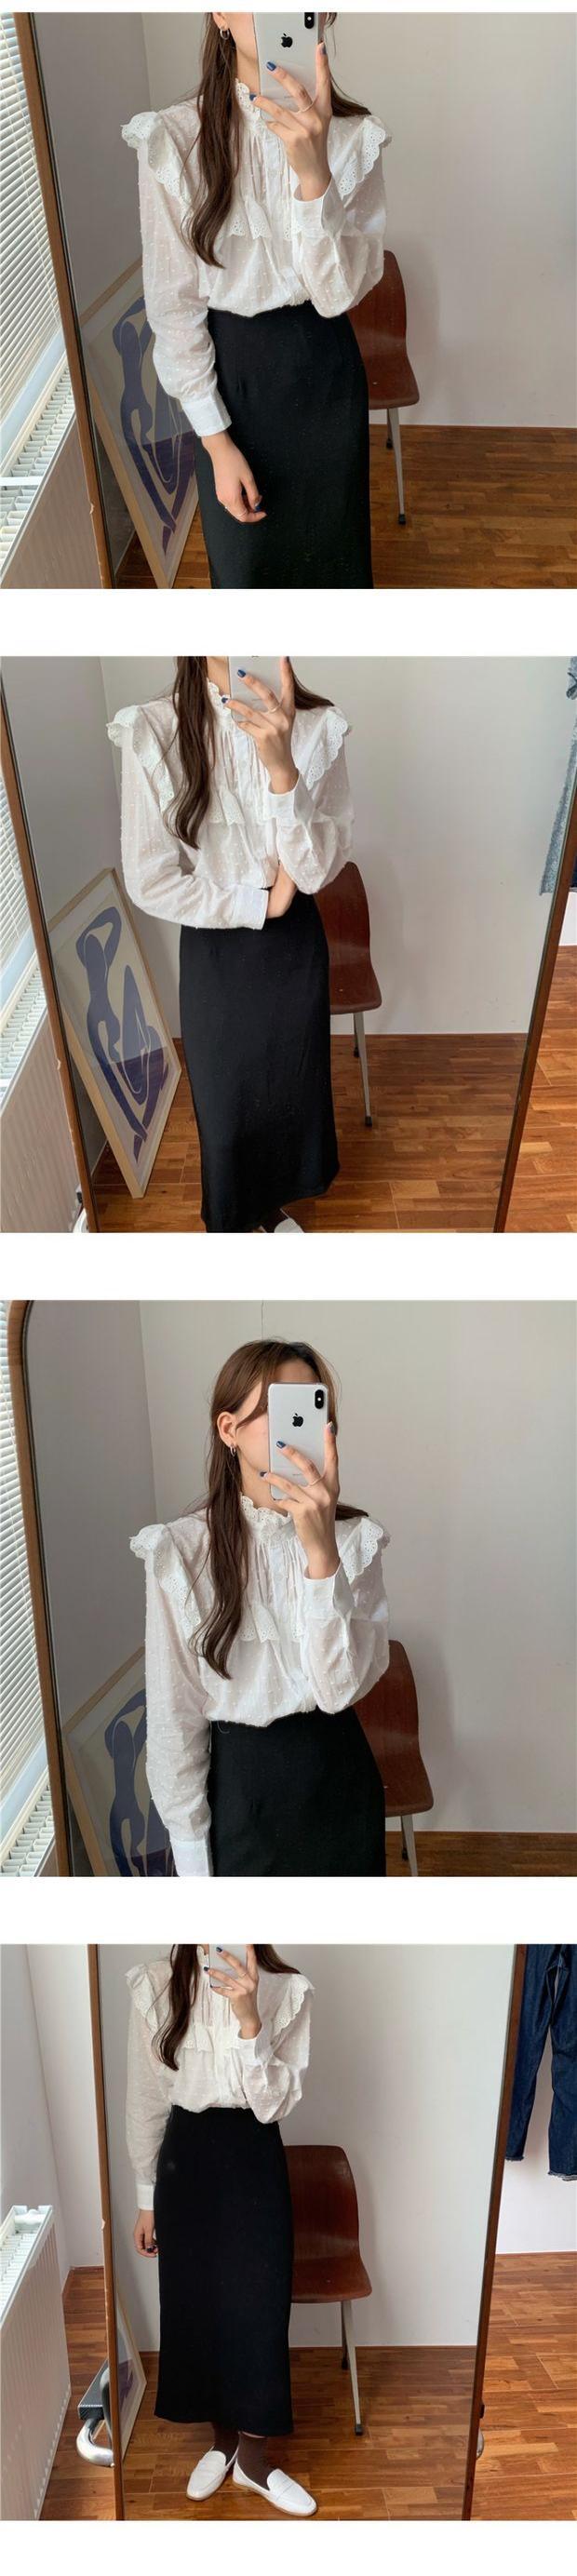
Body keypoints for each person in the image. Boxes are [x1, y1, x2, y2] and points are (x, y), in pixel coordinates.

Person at [123, 14, 388, 586]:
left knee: (334, 569)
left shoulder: (355, 138)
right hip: (231, 380)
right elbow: (173, 306)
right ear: (218, 12)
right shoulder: (173, 140)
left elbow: (338, 296)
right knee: (247, 575)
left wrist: (314, 177)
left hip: (325, 371)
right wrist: (217, 444)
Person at [107, 656, 352, 1230]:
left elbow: (315, 871)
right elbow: (150, 878)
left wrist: (283, 772)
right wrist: (257, 905)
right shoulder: (154, 730)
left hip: (293, 948)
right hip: (216, 948)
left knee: (289, 1091)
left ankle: (269, 1210)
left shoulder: (319, 726)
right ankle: (234, 1222)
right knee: (226, 1107)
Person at [131, 1336, 390, 1874]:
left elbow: (337, 1691)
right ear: (229, 1429)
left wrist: (321, 1553)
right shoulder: (182, 1553)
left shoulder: (355, 1541)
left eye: (312, 1407)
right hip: (241, 1790)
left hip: (341, 1778)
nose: (300, 1427)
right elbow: (174, 1719)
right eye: (278, 1408)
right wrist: (192, 1863)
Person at [127, 1942, 315, 2515]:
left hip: (253, 2157)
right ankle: (223, 2442)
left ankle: (254, 2462)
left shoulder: (288, 1989)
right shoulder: (156, 1985)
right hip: (185, 2165)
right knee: (199, 2310)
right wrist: (145, 2199)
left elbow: (273, 2106)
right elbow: (147, 2098)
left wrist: (249, 2018)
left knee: (258, 2311)